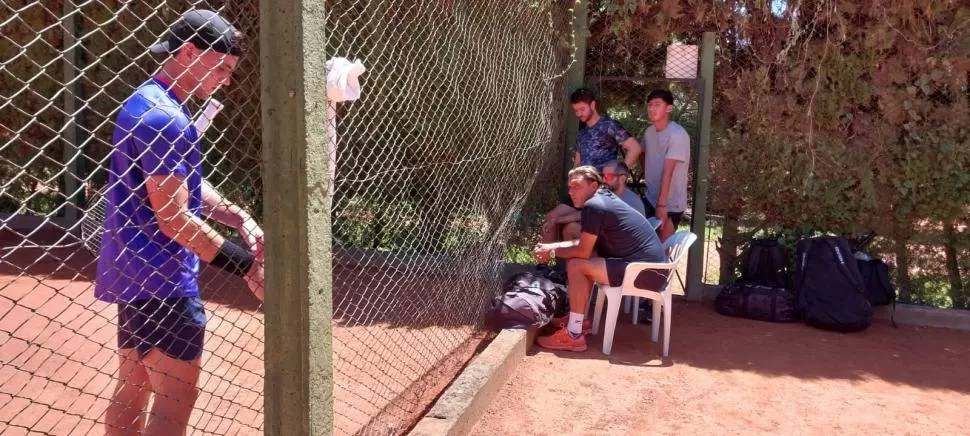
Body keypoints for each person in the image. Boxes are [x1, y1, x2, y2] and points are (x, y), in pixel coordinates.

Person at [94, 10, 264, 435]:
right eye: (222, 67)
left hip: (132, 272)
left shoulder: (146, 101)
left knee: (132, 387)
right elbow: (173, 217)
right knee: (175, 403)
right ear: (190, 52)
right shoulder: (167, 119)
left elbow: (179, 185)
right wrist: (246, 265)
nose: (226, 80)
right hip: (164, 281)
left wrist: (235, 214)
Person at [533, 166, 667, 352]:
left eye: (577, 186)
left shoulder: (594, 205)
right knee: (581, 263)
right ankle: (578, 320)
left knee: (577, 265)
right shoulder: (602, 200)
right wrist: (551, 247)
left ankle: (573, 335)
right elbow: (585, 244)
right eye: (569, 187)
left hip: (644, 273)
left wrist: (551, 252)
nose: (571, 192)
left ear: (593, 184)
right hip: (648, 269)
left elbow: (582, 251)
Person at [641, 89, 691, 242]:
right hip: (651, 198)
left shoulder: (677, 134)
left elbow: (668, 172)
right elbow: (641, 153)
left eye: (657, 104)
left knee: (662, 252)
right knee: (646, 247)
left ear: (669, 108)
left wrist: (662, 207)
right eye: (650, 105)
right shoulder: (649, 132)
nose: (652, 108)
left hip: (670, 205)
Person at [569, 88, 642, 172]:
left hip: (606, 183)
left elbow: (635, 148)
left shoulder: (610, 125)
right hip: (586, 183)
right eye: (576, 110)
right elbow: (577, 163)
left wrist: (619, 173)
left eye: (582, 109)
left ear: (592, 105)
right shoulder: (582, 132)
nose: (578, 114)